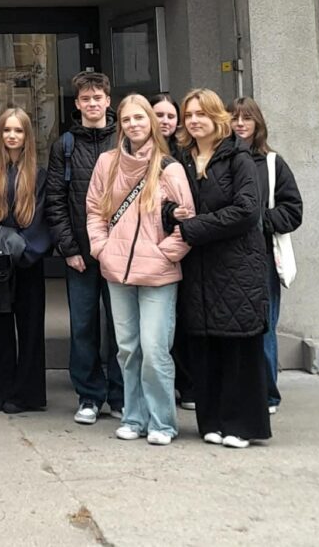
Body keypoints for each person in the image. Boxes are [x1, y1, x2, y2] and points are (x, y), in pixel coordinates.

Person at [165, 87, 271, 449]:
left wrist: (193, 228)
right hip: (198, 269)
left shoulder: (239, 157)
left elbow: (247, 211)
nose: (194, 121)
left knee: (237, 348)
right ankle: (211, 421)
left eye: (202, 114)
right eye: (189, 115)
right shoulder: (182, 159)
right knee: (204, 347)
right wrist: (171, 214)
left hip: (236, 268)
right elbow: (169, 203)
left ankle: (241, 426)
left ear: (217, 117)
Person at [86, 95, 194, 445]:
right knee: (128, 349)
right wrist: (102, 250)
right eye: (127, 119)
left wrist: (166, 255)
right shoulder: (107, 163)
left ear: (151, 122)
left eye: (139, 118)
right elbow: (95, 210)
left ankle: (162, 422)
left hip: (158, 275)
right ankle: (133, 417)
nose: (133, 125)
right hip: (117, 272)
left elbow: (187, 220)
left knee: (154, 349)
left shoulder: (169, 168)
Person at [45, 71, 123, 425]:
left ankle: (121, 395)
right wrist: (69, 248)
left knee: (122, 328)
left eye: (98, 98)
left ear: (108, 100)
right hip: (80, 253)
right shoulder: (64, 146)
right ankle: (89, 396)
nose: (92, 104)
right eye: (86, 99)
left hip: (121, 253)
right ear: (77, 104)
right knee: (83, 328)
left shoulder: (125, 140)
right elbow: (56, 201)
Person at [230, 96, 303, 415]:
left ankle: (267, 395)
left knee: (264, 327)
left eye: (246, 118)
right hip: (228, 259)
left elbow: (293, 210)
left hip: (263, 259)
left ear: (257, 123)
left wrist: (258, 220)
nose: (240, 124)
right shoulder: (220, 160)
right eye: (234, 118)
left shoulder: (273, 164)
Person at [0, 107, 51, 413]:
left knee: (30, 328)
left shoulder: (39, 174)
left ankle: (27, 394)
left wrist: (24, 249)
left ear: (27, 136)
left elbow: (43, 217)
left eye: (18, 131)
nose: (12, 136)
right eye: (7, 130)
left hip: (27, 261)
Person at [151, 91, 194, 411]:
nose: (164, 121)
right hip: (150, 250)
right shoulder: (139, 153)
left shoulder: (187, 155)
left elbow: (190, 203)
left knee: (183, 320)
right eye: (159, 115)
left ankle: (187, 384)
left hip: (183, 246)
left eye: (170, 116)